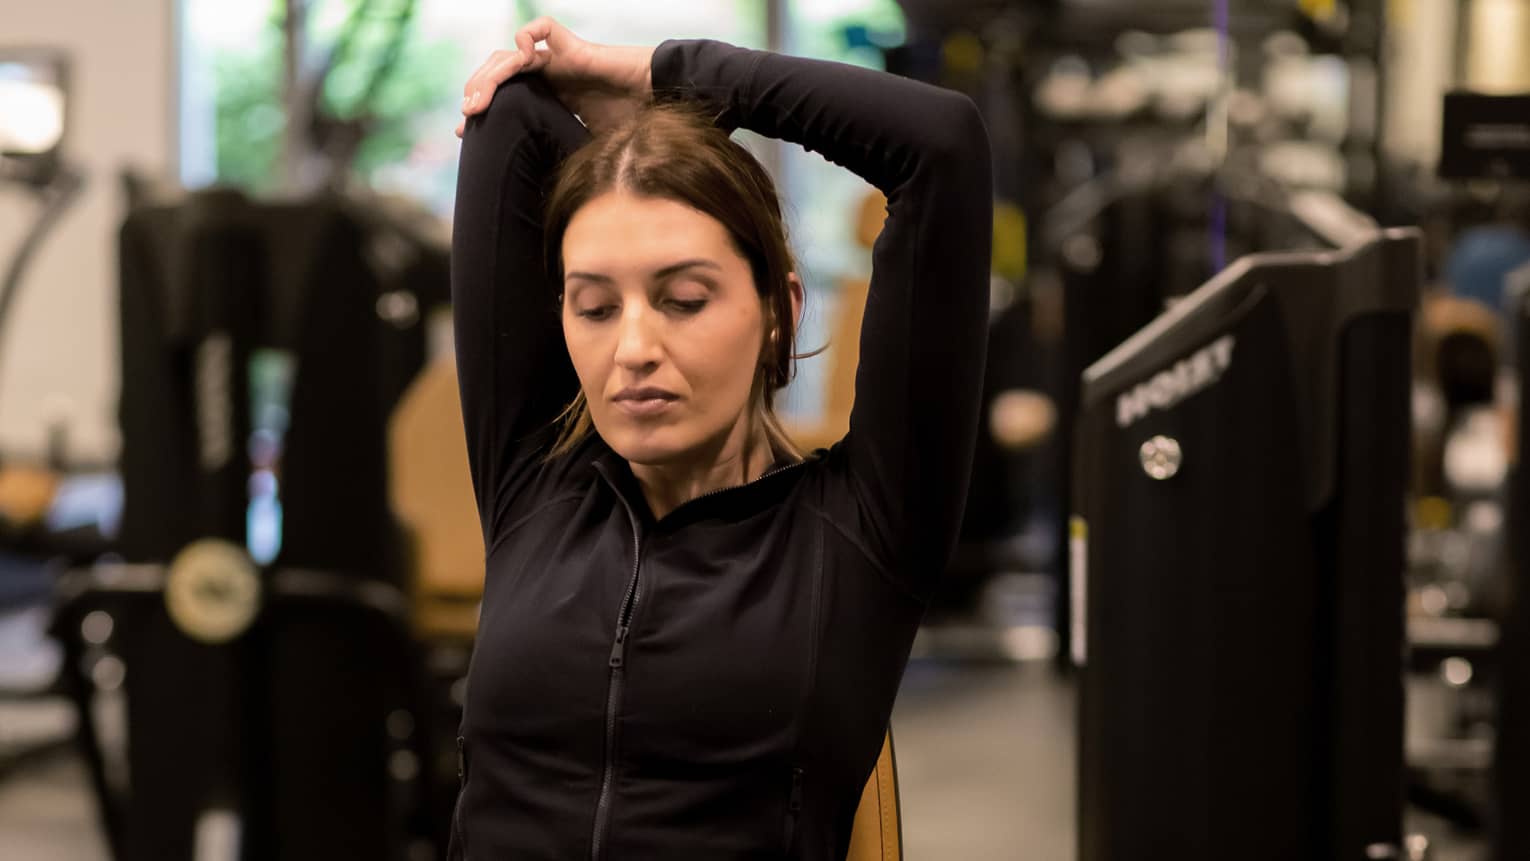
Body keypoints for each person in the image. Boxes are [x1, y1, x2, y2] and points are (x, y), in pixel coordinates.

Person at [449, 17, 992, 859]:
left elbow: (939, 144)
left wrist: (671, 76)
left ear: (778, 312)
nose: (633, 347)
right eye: (595, 307)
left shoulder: (863, 529)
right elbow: (511, 114)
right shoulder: (536, 488)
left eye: (684, 299)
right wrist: (628, 149)